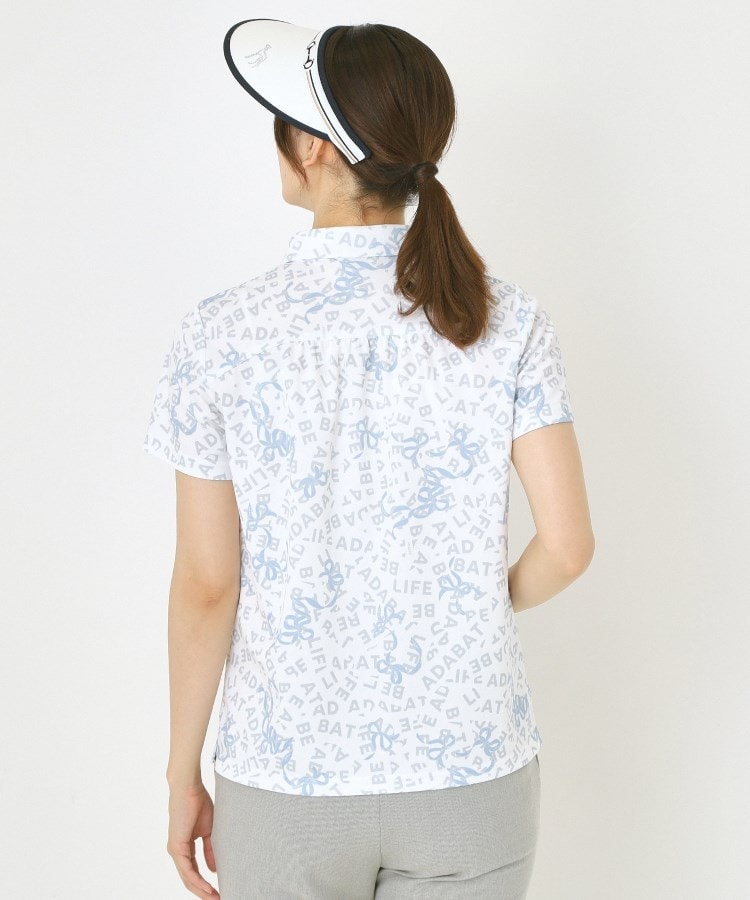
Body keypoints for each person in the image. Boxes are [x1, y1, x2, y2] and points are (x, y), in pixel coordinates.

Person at [142, 18, 595, 900]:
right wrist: (476, 602)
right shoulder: (508, 320)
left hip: (285, 778)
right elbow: (569, 547)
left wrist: (180, 774)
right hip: (471, 769)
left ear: (314, 146)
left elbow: (206, 583)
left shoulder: (221, 334)